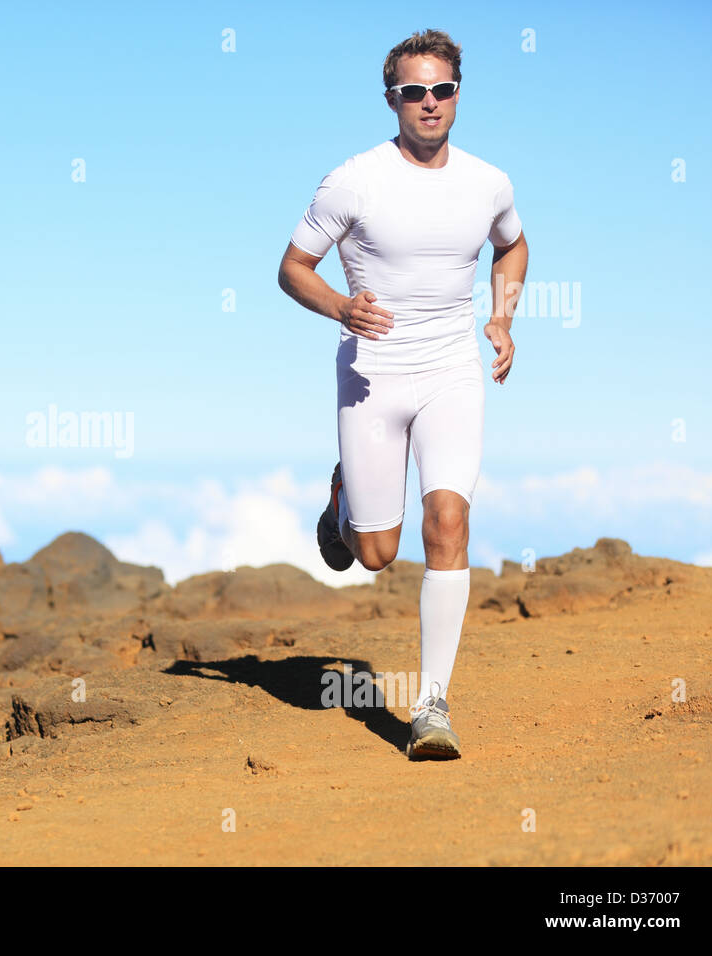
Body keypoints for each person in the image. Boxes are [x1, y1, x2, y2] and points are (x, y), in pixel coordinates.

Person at [277, 28, 529, 759]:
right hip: (372, 373)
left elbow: (513, 243)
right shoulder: (352, 180)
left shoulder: (488, 182)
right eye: (413, 91)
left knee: (447, 520)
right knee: (378, 554)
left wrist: (503, 315)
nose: (429, 103)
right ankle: (345, 501)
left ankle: (431, 707)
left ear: (457, 94)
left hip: (452, 368)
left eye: (441, 89)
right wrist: (338, 306)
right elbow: (292, 267)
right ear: (392, 99)